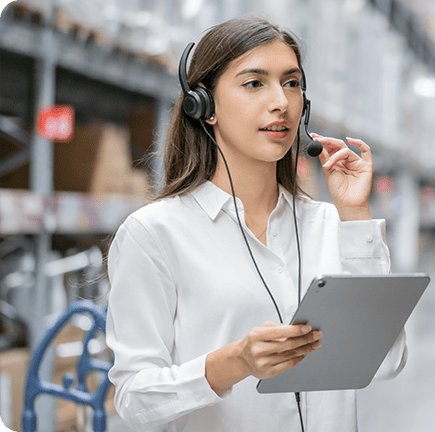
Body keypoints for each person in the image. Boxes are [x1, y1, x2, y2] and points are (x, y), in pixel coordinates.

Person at [105, 16, 406, 432]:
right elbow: (133, 399)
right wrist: (233, 363)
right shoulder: (155, 234)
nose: (280, 101)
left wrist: (355, 214)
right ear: (204, 107)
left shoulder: (331, 226)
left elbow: (387, 361)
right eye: (254, 83)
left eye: (292, 83)